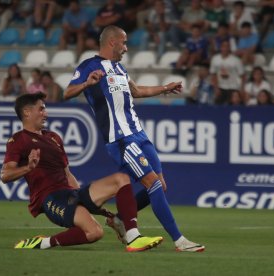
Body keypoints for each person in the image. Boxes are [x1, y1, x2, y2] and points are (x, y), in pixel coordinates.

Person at [63, 25, 205, 252]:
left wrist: (165, 88)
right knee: (153, 183)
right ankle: (179, 240)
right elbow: (67, 92)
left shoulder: (119, 68)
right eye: (124, 43)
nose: (126, 48)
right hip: (121, 139)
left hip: (139, 134)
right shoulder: (89, 66)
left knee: (161, 185)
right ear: (112, 43)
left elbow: (137, 91)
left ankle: (119, 219)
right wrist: (87, 83)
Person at [1, 92, 163, 252]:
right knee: (95, 232)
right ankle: (43, 243)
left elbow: (67, 174)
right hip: (51, 199)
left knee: (121, 179)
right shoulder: (18, 140)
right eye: (41, 109)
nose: (46, 113)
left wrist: (84, 201)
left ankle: (134, 237)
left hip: (70, 194)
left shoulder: (54, 137)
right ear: (27, 112)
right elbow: (6, 175)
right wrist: (28, 168)